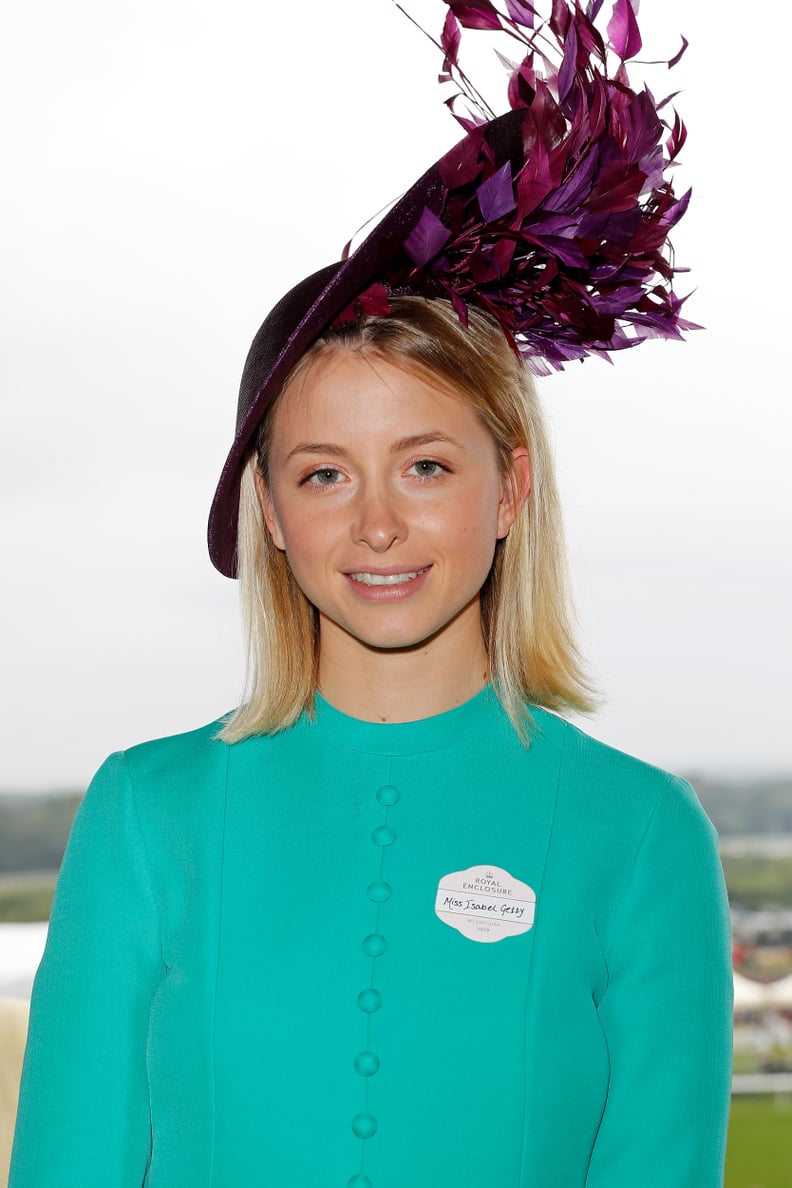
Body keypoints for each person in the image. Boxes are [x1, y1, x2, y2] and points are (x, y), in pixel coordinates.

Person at [9, 2, 733, 1185]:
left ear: (511, 488)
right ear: (274, 517)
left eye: (427, 465)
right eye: (324, 474)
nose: (378, 523)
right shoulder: (147, 813)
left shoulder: (643, 835)